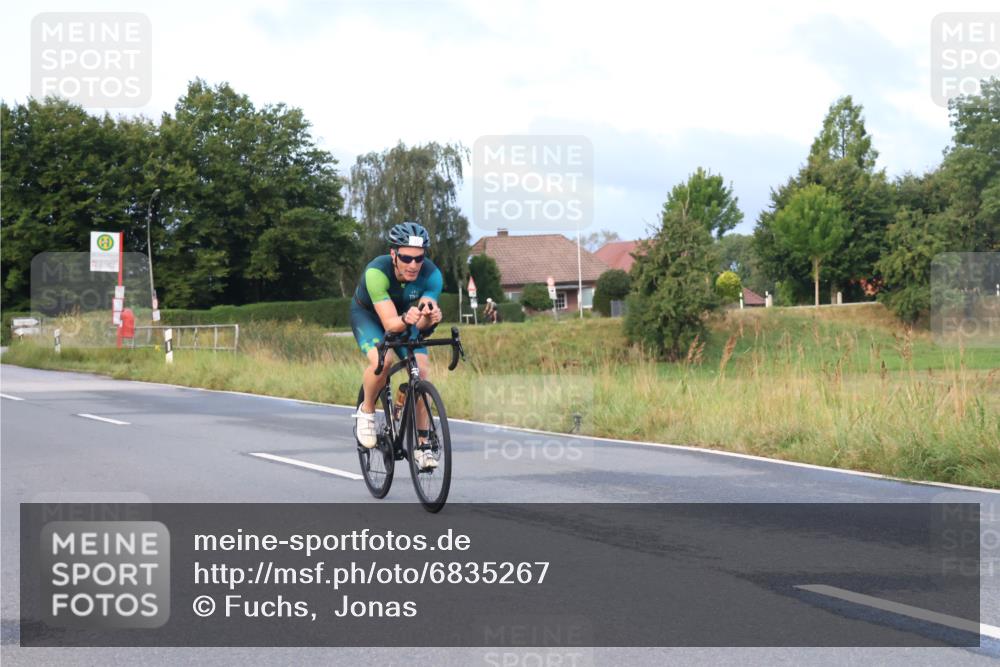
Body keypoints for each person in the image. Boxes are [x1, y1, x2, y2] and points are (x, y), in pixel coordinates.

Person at [350, 222, 444, 470]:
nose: (413, 265)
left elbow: (422, 319)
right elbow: (390, 324)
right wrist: (406, 319)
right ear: (393, 255)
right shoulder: (376, 273)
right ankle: (366, 410)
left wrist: (429, 318)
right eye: (406, 258)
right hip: (370, 317)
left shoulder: (433, 276)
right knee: (384, 361)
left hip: (405, 317)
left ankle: (423, 444)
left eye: (419, 258)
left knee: (422, 371)